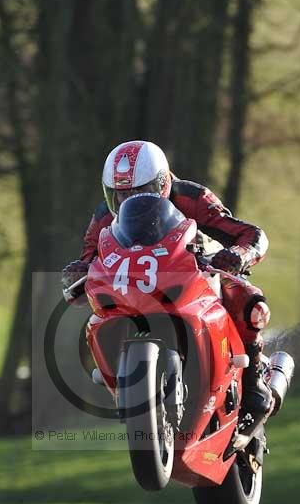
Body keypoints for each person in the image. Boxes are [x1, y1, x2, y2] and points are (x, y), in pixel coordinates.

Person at [61, 140, 272, 416]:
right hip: (138, 287)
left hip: (198, 272)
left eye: (140, 192)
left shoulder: (192, 197)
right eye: (119, 195)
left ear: (162, 183)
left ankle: (254, 378)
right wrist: (78, 272)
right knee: (98, 317)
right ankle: (119, 378)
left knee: (248, 300)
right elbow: (89, 257)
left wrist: (238, 256)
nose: (128, 202)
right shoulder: (103, 215)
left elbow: (249, 234)